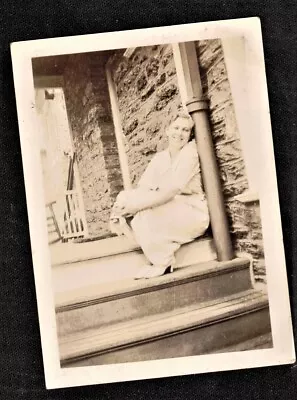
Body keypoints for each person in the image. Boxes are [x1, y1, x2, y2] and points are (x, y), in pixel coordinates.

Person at [110, 113, 210, 279]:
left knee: (146, 212)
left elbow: (172, 191)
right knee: (124, 197)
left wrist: (138, 206)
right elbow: (144, 187)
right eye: (176, 128)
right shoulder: (160, 158)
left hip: (192, 211)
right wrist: (128, 204)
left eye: (185, 130)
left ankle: (162, 261)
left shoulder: (190, 153)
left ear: (190, 134)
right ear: (167, 131)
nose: (180, 133)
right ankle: (146, 239)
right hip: (170, 206)